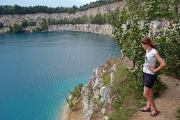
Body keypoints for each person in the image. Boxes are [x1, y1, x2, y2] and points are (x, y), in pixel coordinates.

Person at [140, 37, 166, 117]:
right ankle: (148, 107)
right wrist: (146, 64)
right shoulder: (147, 50)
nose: (142, 46)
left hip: (150, 75)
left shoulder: (154, 52)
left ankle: (155, 109)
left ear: (147, 44)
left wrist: (155, 70)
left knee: (145, 94)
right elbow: (149, 61)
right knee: (150, 92)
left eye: (142, 45)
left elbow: (163, 64)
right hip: (145, 73)